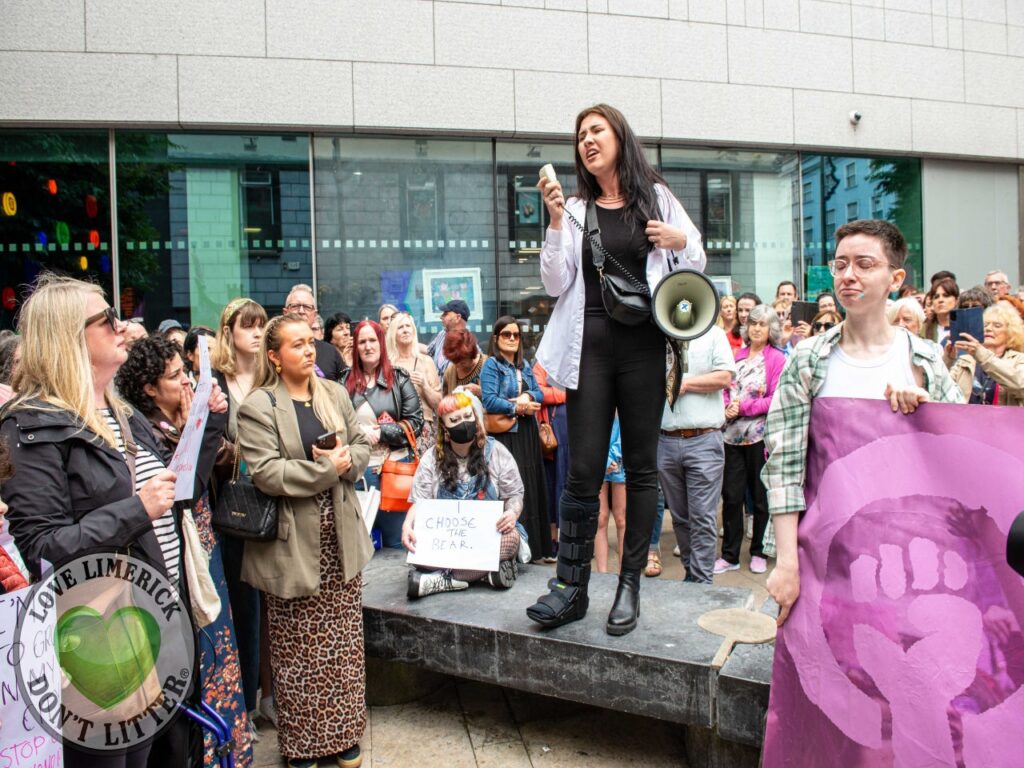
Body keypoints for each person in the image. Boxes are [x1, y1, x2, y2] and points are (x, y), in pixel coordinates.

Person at [527, 103, 706, 635]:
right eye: (580, 134)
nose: (587, 140)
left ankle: (630, 584)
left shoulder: (658, 197)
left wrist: (681, 242)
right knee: (583, 469)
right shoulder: (577, 208)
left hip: (643, 345)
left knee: (641, 466)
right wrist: (557, 222)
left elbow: (695, 261)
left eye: (596, 131)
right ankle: (571, 586)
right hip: (590, 347)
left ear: (619, 138)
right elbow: (555, 283)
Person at [0, 275, 180, 768]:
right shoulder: (29, 425)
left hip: (133, 617)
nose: (123, 328)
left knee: (140, 757)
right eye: (107, 319)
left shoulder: (113, 411)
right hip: (81, 639)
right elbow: (40, 545)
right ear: (68, 336)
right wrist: (137, 508)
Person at [763, 220, 964, 626]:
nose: (848, 275)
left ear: (895, 277)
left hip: (913, 553)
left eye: (864, 264)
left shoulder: (923, 361)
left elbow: (962, 454)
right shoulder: (808, 359)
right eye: (840, 265)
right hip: (827, 550)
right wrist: (787, 563)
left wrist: (929, 414)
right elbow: (784, 467)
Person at [236, 314, 372, 768]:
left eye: (309, 342)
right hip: (293, 544)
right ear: (274, 357)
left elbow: (360, 447)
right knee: (297, 652)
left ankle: (344, 734)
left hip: (343, 540)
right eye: (296, 345)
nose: (309, 350)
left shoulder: (333, 393)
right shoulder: (258, 406)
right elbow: (267, 473)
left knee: (343, 648)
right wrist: (327, 470)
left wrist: (346, 460)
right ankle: (303, 745)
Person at [114, 337, 252, 766]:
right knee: (200, 649)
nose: (185, 381)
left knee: (218, 642)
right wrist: (206, 423)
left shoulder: (174, 418)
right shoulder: (143, 430)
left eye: (185, 372)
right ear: (149, 388)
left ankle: (229, 745)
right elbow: (185, 489)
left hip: (202, 541)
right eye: (174, 376)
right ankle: (207, 752)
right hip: (178, 551)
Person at [402, 392, 523, 597]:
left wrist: (512, 514)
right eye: (455, 420)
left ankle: (445, 579)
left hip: (487, 536)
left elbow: (515, 495)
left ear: (475, 419)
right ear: (445, 429)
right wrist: (407, 526)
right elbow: (419, 502)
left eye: (468, 416)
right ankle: (483, 574)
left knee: (512, 539)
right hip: (449, 543)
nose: (463, 423)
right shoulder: (431, 459)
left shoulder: (496, 451)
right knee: (416, 548)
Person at [210, 296, 267, 726]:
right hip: (235, 510)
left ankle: (273, 696)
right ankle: (246, 702)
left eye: (262, 324)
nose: (257, 331)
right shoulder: (214, 381)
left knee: (277, 605)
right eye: (248, 325)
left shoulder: (273, 374)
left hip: (276, 499)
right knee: (243, 604)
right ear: (228, 331)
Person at [657, 323, 734, 584]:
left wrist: (685, 384)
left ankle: (701, 583)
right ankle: (692, 575)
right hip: (666, 439)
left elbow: (725, 376)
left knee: (702, 517)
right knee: (679, 517)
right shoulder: (659, 336)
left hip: (703, 439)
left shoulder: (713, 334)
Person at [344, 319, 423, 549]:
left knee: (398, 543)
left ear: (381, 343)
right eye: (362, 342)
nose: (368, 346)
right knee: (359, 548)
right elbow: (332, 424)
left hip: (395, 471)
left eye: (372, 340)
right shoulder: (342, 382)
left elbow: (415, 423)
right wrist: (358, 433)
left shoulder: (400, 378)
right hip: (357, 472)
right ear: (355, 347)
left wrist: (381, 432)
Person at [718, 305, 785, 575]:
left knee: (760, 498)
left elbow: (775, 398)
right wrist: (726, 408)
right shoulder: (737, 355)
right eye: (753, 323)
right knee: (732, 497)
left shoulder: (777, 358)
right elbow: (725, 388)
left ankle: (759, 552)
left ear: (771, 329)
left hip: (760, 438)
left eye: (763, 324)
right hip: (731, 436)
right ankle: (729, 555)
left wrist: (743, 407)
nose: (756, 328)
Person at [481, 316, 553, 562]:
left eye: (516, 335)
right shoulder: (491, 365)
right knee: (510, 487)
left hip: (527, 434)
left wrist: (526, 396)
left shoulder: (525, 365)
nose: (512, 339)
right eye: (506, 334)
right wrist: (518, 407)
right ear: (496, 338)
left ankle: (534, 548)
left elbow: (540, 392)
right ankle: (510, 547)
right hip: (505, 436)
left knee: (530, 486)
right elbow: (489, 400)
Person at [945, 302, 1024, 406]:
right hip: (966, 420)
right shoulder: (965, 360)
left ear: (1010, 332)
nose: (988, 329)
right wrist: (947, 359)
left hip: (1003, 421)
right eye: (985, 325)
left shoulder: (1019, 359)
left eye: (997, 325)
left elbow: (1020, 385)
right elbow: (941, 390)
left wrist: (982, 354)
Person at [387, 311, 442, 454]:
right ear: (393, 333)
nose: (405, 330)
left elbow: (438, 404)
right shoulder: (387, 364)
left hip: (425, 430)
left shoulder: (426, 361)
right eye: (400, 327)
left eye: (408, 326)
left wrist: (424, 385)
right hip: (398, 430)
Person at [534, 361, 568, 561]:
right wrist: (564, 395)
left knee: (569, 485)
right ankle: (552, 541)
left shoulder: (575, 361)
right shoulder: (543, 363)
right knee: (551, 485)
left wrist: (552, 393)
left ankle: (571, 540)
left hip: (572, 433)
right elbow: (539, 392)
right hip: (552, 436)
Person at [283, 284, 345, 381]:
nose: (301, 311)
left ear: (315, 315)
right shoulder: (277, 349)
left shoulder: (330, 352)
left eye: (307, 307)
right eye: (295, 306)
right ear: (285, 312)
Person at [595, 415, 625, 573]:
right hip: (597, 457)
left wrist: (613, 457)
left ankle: (624, 573)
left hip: (620, 459)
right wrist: (603, 461)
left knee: (622, 519)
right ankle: (602, 573)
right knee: (600, 518)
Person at [426, 299, 471, 374]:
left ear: (458, 317)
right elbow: (428, 350)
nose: (441, 317)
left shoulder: (469, 344)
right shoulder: (442, 334)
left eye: (445, 314)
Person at [441, 327, 487, 397]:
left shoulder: (488, 364)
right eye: (455, 362)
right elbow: (445, 400)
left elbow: (502, 397)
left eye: (462, 363)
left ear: (471, 354)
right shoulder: (450, 372)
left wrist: (481, 392)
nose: (458, 366)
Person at [923, 277, 959, 347]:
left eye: (946, 296)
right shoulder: (923, 329)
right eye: (936, 297)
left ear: (956, 300)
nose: (940, 300)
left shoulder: (965, 328)